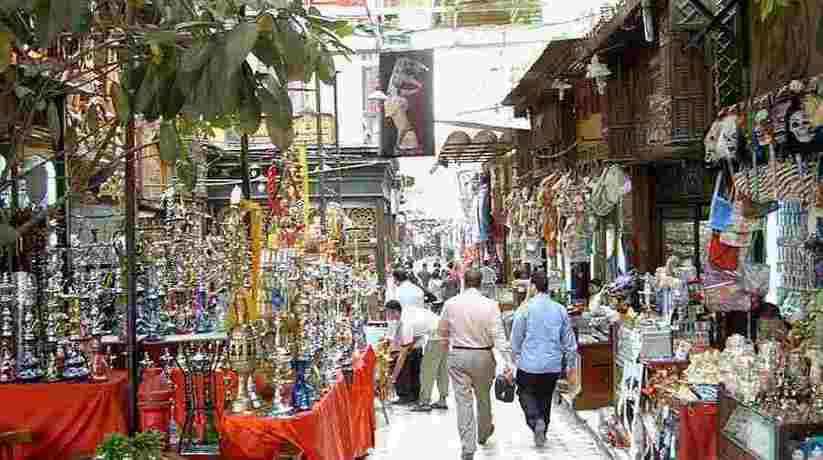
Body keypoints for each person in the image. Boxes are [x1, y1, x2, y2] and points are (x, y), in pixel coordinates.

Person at [438, 269, 513, 460]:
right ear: (481, 283)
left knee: (463, 403)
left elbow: (442, 332)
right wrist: (507, 361)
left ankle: (468, 446)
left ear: (464, 282)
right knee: (483, 397)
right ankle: (484, 431)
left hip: (459, 355)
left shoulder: (451, 304)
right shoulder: (490, 305)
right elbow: (498, 334)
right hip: (483, 356)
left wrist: (446, 352)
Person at [510, 271, 578, 448]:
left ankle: (535, 421)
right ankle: (543, 427)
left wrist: (514, 355)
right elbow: (569, 340)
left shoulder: (524, 309)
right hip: (552, 365)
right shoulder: (560, 309)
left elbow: (516, 336)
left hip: (529, 364)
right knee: (545, 396)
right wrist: (571, 364)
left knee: (525, 393)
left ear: (532, 287)